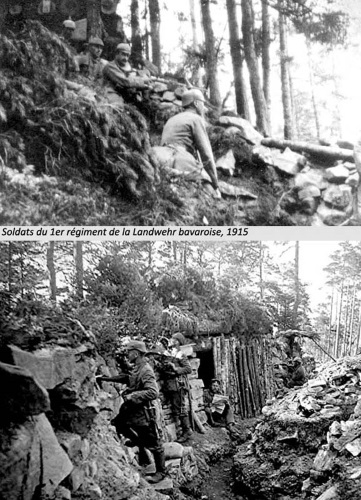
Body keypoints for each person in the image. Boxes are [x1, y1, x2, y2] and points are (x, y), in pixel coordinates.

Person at [97, 340, 166, 484]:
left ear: (136, 353)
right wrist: (106, 378)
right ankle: (139, 446)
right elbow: (127, 378)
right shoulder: (137, 368)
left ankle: (161, 472)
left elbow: (153, 392)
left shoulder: (146, 370)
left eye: (129, 351)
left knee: (154, 444)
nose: (127, 354)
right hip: (132, 411)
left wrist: (133, 395)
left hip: (143, 413)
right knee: (118, 424)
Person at [160, 89, 221, 199]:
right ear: (197, 103)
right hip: (180, 156)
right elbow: (206, 154)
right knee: (209, 189)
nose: (204, 108)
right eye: (202, 103)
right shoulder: (196, 119)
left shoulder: (171, 119)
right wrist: (215, 184)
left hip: (162, 156)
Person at [157, 332, 193, 443]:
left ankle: (187, 431)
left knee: (181, 409)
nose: (171, 340)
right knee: (175, 409)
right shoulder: (169, 353)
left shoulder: (180, 354)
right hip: (170, 385)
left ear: (177, 341)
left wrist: (175, 369)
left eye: (173, 339)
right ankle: (180, 430)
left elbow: (188, 369)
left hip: (178, 385)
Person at [102, 42, 151, 107]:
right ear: (117, 53)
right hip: (111, 93)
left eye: (127, 55)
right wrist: (142, 81)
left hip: (123, 94)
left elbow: (131, 79)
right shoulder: (110, 66)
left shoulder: (126, 67)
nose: (126, 58)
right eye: (123, 54)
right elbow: (125, 81)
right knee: (120, 108)